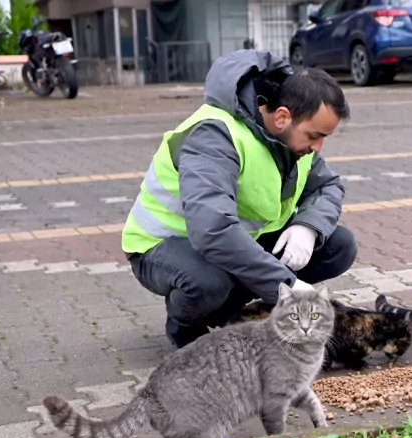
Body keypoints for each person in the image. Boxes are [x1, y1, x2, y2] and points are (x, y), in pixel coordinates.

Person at [121, 49, 357, 348]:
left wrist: (308, 226)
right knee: (208, 282)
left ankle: (228, 313)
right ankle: (185, 327)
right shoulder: (213, 134)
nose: (319, 147)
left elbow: (328, 186)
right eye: (314, 136)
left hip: (230, 242)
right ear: (283, 116)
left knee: (338, 245)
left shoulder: (291, 140)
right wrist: (287, 286)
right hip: (163, 246)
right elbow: (213, 231)